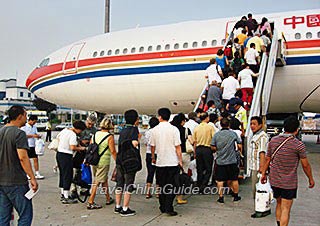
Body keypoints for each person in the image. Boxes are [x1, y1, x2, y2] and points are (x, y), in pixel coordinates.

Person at [261, 116, 315, 226]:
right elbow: (305, 165)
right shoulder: (298, 145)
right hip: (289, 182)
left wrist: (263, 174)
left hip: (275, 179)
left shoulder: (273, 140)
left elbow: (267, 159)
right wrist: (310, 179)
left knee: (279, 204)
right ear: (297, 129)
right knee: (286, 209)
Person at [0, 106, 38, 226]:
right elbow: (23, 158)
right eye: (25, 116)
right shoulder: (19, 133)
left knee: (3, 216)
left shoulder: (1, 131)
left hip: (2, 181)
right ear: (20, 116)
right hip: (16, 181)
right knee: (25, 214)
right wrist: (32, 177)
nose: (26, 119)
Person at [150, 108, 183, 216]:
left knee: (161, 185)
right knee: (172, 186)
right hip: (172, 162)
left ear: (160, 116)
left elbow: (152, 146)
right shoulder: (174, 129)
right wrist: (180, 160)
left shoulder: (154, 130)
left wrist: (153, 157)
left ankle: (162, 206)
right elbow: (178, 147)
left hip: (160, 162)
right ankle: (169, 207)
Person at [115, 109, 141, 216]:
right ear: (135, 119)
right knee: (129, 184)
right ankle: (125, 208)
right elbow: (134, 143)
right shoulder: (134, 130)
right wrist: (138, 139)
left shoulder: (123, 130)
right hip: (129, 160)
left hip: (120, 159)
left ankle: (117, 206)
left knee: (119, 183)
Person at [87, 118, 117, 210]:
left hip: (94, 160)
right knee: (97, 181)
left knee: (103, 180)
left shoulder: (95, 134)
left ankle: (108, 198)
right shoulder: (109, 137)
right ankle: (90, 201)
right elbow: (112, 151)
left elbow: (91, 148)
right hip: (103, 161)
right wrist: (117, 161)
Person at [211, 117, 242, 204]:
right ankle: (236, 196)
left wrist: (218, 149)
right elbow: (239, 145)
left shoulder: (216, 135)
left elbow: (212, 146)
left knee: (220, 180)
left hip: (220, 161)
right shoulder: (233, 134)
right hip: (232, 160)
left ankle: (221, 197)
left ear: (220, 125)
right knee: (234, 179)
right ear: (229, 125)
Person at [56, 120, 86, 204]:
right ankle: (66, 196)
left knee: (62, 174)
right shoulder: (73, 134)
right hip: (66, 155)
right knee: (68, 175)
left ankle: (63, 193)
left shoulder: (65, 130)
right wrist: (82, 148)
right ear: (79, 129)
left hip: (59, 153)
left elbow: (58, 138)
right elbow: (72, 147)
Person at [249, 116, 269, 218]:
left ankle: (261, 210)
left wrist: (262, 169)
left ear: (260, 125)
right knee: (257, 189)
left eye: (254, 124)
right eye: (251, 124)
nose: (252, 126)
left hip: (258, 167)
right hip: (254, 166)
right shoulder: (256, 135)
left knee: (258, 191)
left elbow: (262, 153)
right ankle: (262, 208)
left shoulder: (262, 137)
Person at [193, 112, 215, 192]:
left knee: (200, 168)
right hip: (207, 149)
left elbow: (194, 142)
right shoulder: (210, 127)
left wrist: (195, 152)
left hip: (198, 149)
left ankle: (199, 184)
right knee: (208, 168)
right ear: (207, 118)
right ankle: (204, 184)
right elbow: (213, 139)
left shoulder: (196, 128)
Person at [21, 115, 44, 179]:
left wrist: (38, 136)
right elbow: (23, 136)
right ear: (30, 120)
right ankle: (27, 173)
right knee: (27, 160)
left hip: (33, 145)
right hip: (26, 145)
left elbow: (35, 133)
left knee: (35, 159)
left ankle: (37, 173)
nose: (34, 123)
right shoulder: (24, 127)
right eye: (34, 122)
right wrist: (32, 136)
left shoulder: (34, 127)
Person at [143, 116, 159, 199]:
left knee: (150, 173)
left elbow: (145, 143)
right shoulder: (159, 132)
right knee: (158, 173)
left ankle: (148, 192)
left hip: (149, 153)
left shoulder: (148, 132)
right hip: (157, 153)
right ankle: (157, 192)